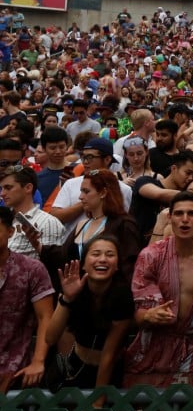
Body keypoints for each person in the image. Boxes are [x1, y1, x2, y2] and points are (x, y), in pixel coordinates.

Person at [123, 191, 193, 388]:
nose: (184, 220)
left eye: (191, 214)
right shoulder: (151, 256)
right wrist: (148, 315)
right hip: (153, 347)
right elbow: (138, 315)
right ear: (170, 217)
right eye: (178, 213)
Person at [45, 237, 133, 393]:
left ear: (117, 265)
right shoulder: (73, 286)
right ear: (84, 264)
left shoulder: (123, 296)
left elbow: (109, 355)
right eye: (96, 254)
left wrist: (97, 402)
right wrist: (67, 299)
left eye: (110, 254)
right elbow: (50, 338)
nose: (102, 259)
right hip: (76, 366)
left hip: (110, 371)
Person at [0, 206, 54, 392]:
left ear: (10, 231)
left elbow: (45, 317)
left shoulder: (31, 269)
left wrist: (38, 361)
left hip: (16, 370)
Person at [1, 165, 63, 259]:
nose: (2, 194)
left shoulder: (48, 222)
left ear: (28, 188)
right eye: (2, 189)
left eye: (8, 188)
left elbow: (51, 263)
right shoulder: (3, 219)